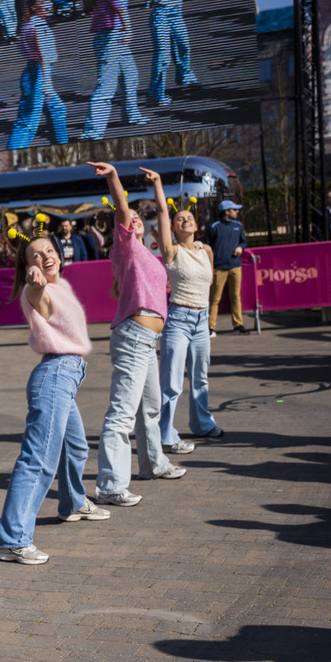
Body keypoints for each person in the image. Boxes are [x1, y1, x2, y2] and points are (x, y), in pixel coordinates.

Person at [0, 235, 103, 565]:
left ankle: (72, 503)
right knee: (38, 459)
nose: (45, 257)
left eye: (50, 251)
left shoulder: (63, 286)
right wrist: (35, 282)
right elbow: (35, 293)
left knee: (77, 447)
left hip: (65, 376)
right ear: (27, 266)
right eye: (36, 256)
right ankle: (13, 541)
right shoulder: (36, 289)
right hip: (55, 374)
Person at [92, 164, 184, 508]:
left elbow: (161, 213)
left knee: (150, 409)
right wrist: (114, 177)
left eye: (138, 218)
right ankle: (111, 485)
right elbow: (121, 208)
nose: (136, 221)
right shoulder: (126, 247)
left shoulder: (149, 254)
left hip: (148, 341)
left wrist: (159, 183)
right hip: (133, 336)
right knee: (122, 414)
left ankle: (154, 464)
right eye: (130, 218)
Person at [154, 202, 222, 453]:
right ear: (172, 227)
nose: (185, 221)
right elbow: (162, 212)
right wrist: (158, 185)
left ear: (196, 224)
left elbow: (210, 280)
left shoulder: (207, 251)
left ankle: (202, 424)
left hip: (201, 321)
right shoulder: (171, 251)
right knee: (171, 382)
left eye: (189, 217)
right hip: (178, 321)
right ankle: (165, 434)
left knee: (200, 378)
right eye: (179, 219)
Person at [81, 0, 148, 140]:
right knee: (107, 86)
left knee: (130, 75)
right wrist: (129, 29)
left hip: (112, 37)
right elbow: (121, 9)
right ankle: (92, 131)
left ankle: (131, 116)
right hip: (111, 38)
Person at [146, 0, 197, 106]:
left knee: (183, 46)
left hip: (176, 14)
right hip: (161, 14)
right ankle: (156, 94)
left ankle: (185, 76)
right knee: (163, 56)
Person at [205, 200, 248, 335]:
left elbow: (243, 241)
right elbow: (206, 247)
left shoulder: (238, 225)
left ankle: (238, 326)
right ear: (226, 211)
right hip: (218, 268)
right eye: (234, 209)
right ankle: (210, 328)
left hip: (235, 266)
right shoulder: (213, 226)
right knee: (214, 299)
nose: (237, 212)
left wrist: (241, 247)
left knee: (235, 296)